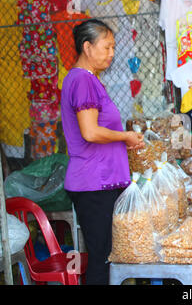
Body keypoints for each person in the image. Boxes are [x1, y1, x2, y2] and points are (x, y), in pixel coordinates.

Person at [60, 19, 145, 285]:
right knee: (102, 259)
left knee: (108, 256)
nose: (112, 53)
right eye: (107, 47)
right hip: (94, 183)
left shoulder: (87, 79)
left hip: (101, 181)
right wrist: (126, 136)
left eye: (113, 47)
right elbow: (90, 132)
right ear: (87, 47)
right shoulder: (82, 80)